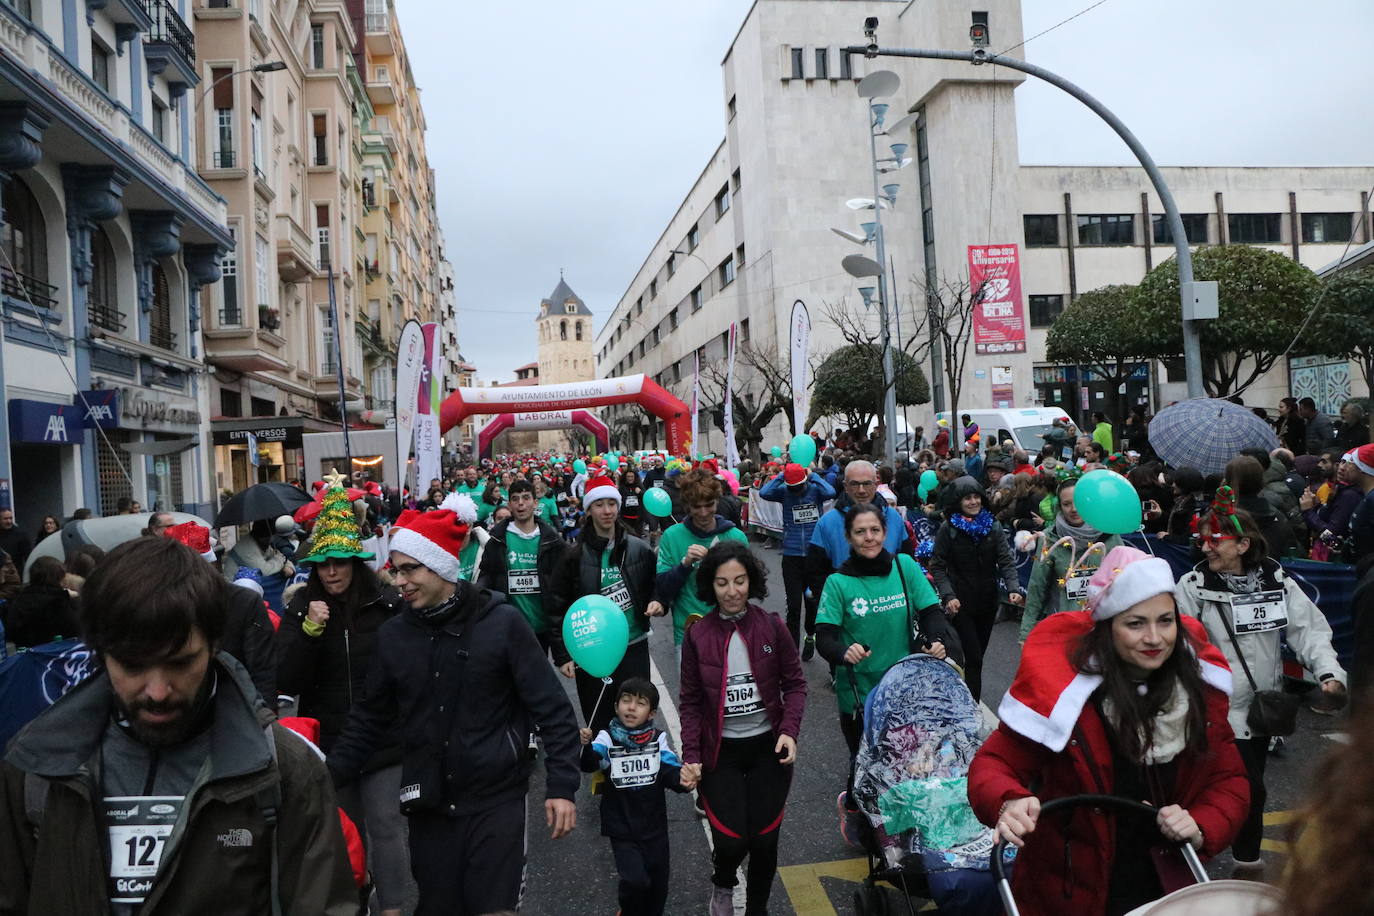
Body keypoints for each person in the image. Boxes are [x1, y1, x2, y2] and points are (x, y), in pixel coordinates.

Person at [0, 535, 358, 914]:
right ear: (100, 653)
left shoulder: (284, 770)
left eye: (180, 662)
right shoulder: (34, 769)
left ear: (214, 646)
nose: (157, 691)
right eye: (133, 664)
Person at [326, 493, 581, 915]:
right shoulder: (394, 637)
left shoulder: (502, 624)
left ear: (443, 566)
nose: (400, 581)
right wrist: (322, 781)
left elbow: (551, 708)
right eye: (395, 570)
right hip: (429, 803)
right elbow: (368, 720)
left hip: (497, 799)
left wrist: (562, 786)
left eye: (410, 569)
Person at [969, 545, 1248, 916]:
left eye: (1165, 621)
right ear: (1109, 626)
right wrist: (1010, 800)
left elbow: (1229, 779)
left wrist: (1200, 824)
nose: (1154, 638)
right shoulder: (1067, 697)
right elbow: (994, 763)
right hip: (1067, 888)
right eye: (1136, 623)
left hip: (1165, 885)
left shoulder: (1198, 692)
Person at [1176, 493, 1345, 877]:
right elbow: (1175, 644)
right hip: (1211, 712)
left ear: (1243, 544)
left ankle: (1234, 859)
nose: (1204, 547)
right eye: (1202, 539)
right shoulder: (1192, 585)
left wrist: (1329, 674)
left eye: (1214, 540)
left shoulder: (1276, 580)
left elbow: (1308, 630)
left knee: (1245, 790)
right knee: (1234, 789)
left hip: (1259, 711)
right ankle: (1220, 863)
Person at [276, 474, 408, 916]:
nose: (331, 571)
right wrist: (310, 631)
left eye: (340, 561)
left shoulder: (388, 604)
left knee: (387, 826)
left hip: (384, 738)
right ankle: (356, 897)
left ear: (355, 562)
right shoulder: (300, 607)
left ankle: (392, 907)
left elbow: (407, 669)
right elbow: (286, 680)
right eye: (323, 563)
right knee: (344, 830)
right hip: (331, 740)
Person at [815, 502, 958, 841]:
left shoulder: (904, 566)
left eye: (875, 530)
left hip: (907, 688)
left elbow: (930, 612)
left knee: (910, 762)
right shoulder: (838, 583)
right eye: (861, 532)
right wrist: (842, 651)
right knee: (865, 765)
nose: (869, 538)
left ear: (886, 532)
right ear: (849, 537)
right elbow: (825, 637)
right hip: (861, 694)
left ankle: (902, 828)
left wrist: (937, 641)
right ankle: (853, 806)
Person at [678, 542, 806, 916]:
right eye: (722, 583)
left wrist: (788, 730)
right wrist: (692, 756)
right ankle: (723, 879)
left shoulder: (771, 626)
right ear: (710, 586)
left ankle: (757, 909)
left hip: (768, 748)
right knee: (732, 842)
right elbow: (689, 703)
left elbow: (795, 684)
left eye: (739, 581)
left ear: (751, 581)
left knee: (765, 841)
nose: (732, 591)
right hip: (722, 753)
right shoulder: (697, 636)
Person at [551, 473, 661, 735]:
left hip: (633, 644)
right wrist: (563, 655)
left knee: (636, 715)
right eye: (599, 505)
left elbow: (656, 586)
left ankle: (637, 769)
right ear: (588, 510)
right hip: (593, 651)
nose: (607, 511)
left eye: (611, 504)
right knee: (599, 717)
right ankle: (603, 771)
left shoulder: (638, 549)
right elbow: (557, 605)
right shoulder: (573, 556)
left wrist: (658, 601)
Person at [578, 678, 694, 916]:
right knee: (635, 881)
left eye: (640, 703)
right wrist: (587, 746)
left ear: (651, 713)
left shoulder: (658, 739)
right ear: (616, 706)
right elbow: (590, 764)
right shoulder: (607, 737)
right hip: (621, 826)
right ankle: (628, 910)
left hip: (654, 826)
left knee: (658, 886)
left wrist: (684, 780)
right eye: (626, 701)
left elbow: (670, 770)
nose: (631, 707)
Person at [929, 476, 1024, 701]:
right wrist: (948, 595)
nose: (973, 502)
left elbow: (1006, 560)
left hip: (988, 601)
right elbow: (938, 566)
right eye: (967, 498)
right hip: (960, 603)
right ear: (958, 502)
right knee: (974, 658)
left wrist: (1013, 588)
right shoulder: (948, 528)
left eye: (976, 497)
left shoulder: (993, 525)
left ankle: (961, 694)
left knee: (977, 656)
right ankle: (972, 709)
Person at [653, 468, 749, 652]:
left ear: (717, 501)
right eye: (697, 506)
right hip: (689, 634)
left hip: (732, 630)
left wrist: (716, 564)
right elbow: (663, 590)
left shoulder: (735, 536)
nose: (704, 512)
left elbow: (750, 587)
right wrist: (684, 565)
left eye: (709, 504)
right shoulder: (672, 537)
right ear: (687, 506)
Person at [1020, 477, 1125, 644]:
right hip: (1062, 627)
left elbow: (1124, 580)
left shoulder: (1109, 535)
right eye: (1066, 504)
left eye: (1079, 502)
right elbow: (1037, 587)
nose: (1073, 509)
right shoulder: (1050, 538)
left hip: (1101, 629)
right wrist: (1026, 634)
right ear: (1059, 507)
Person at [477, 478, 567, 655]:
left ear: (535, 502)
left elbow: (563, 585)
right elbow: (486, 576)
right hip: (509, 626)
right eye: (515, 498)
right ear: (509, 504)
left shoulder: (553, 541)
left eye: (526, 498)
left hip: (543, 626)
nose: (521, 504)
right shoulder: (497, 539)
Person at [758, 461, 836, 657]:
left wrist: (813, 476)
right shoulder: (784, 492)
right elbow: (763, 493)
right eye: (792, 487)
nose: (796, 490)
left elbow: (831, 491)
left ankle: (810, 636)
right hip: (791, 557)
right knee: (793, 607)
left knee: (812, 605)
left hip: (814, 557)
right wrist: (782, 477)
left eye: (798, 486)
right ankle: (792, 653)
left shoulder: (815, 491)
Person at [1225, 455, 1296, 560]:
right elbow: (1292, 552)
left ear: (1228, 482)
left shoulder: (1221, 517)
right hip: (1268, 573)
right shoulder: (1277, 516)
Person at [3, 555, 78, 648]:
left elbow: (11, 630)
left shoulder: (20, 599)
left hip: (25, 653)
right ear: (58, 578)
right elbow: (75, 628)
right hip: (54, 653)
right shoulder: (58, 602)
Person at [0, 508, 32, 574]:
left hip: (15, 576)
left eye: (10, 518)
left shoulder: (21, 535)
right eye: (5, 519)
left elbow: (28, 557)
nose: (9, 521)